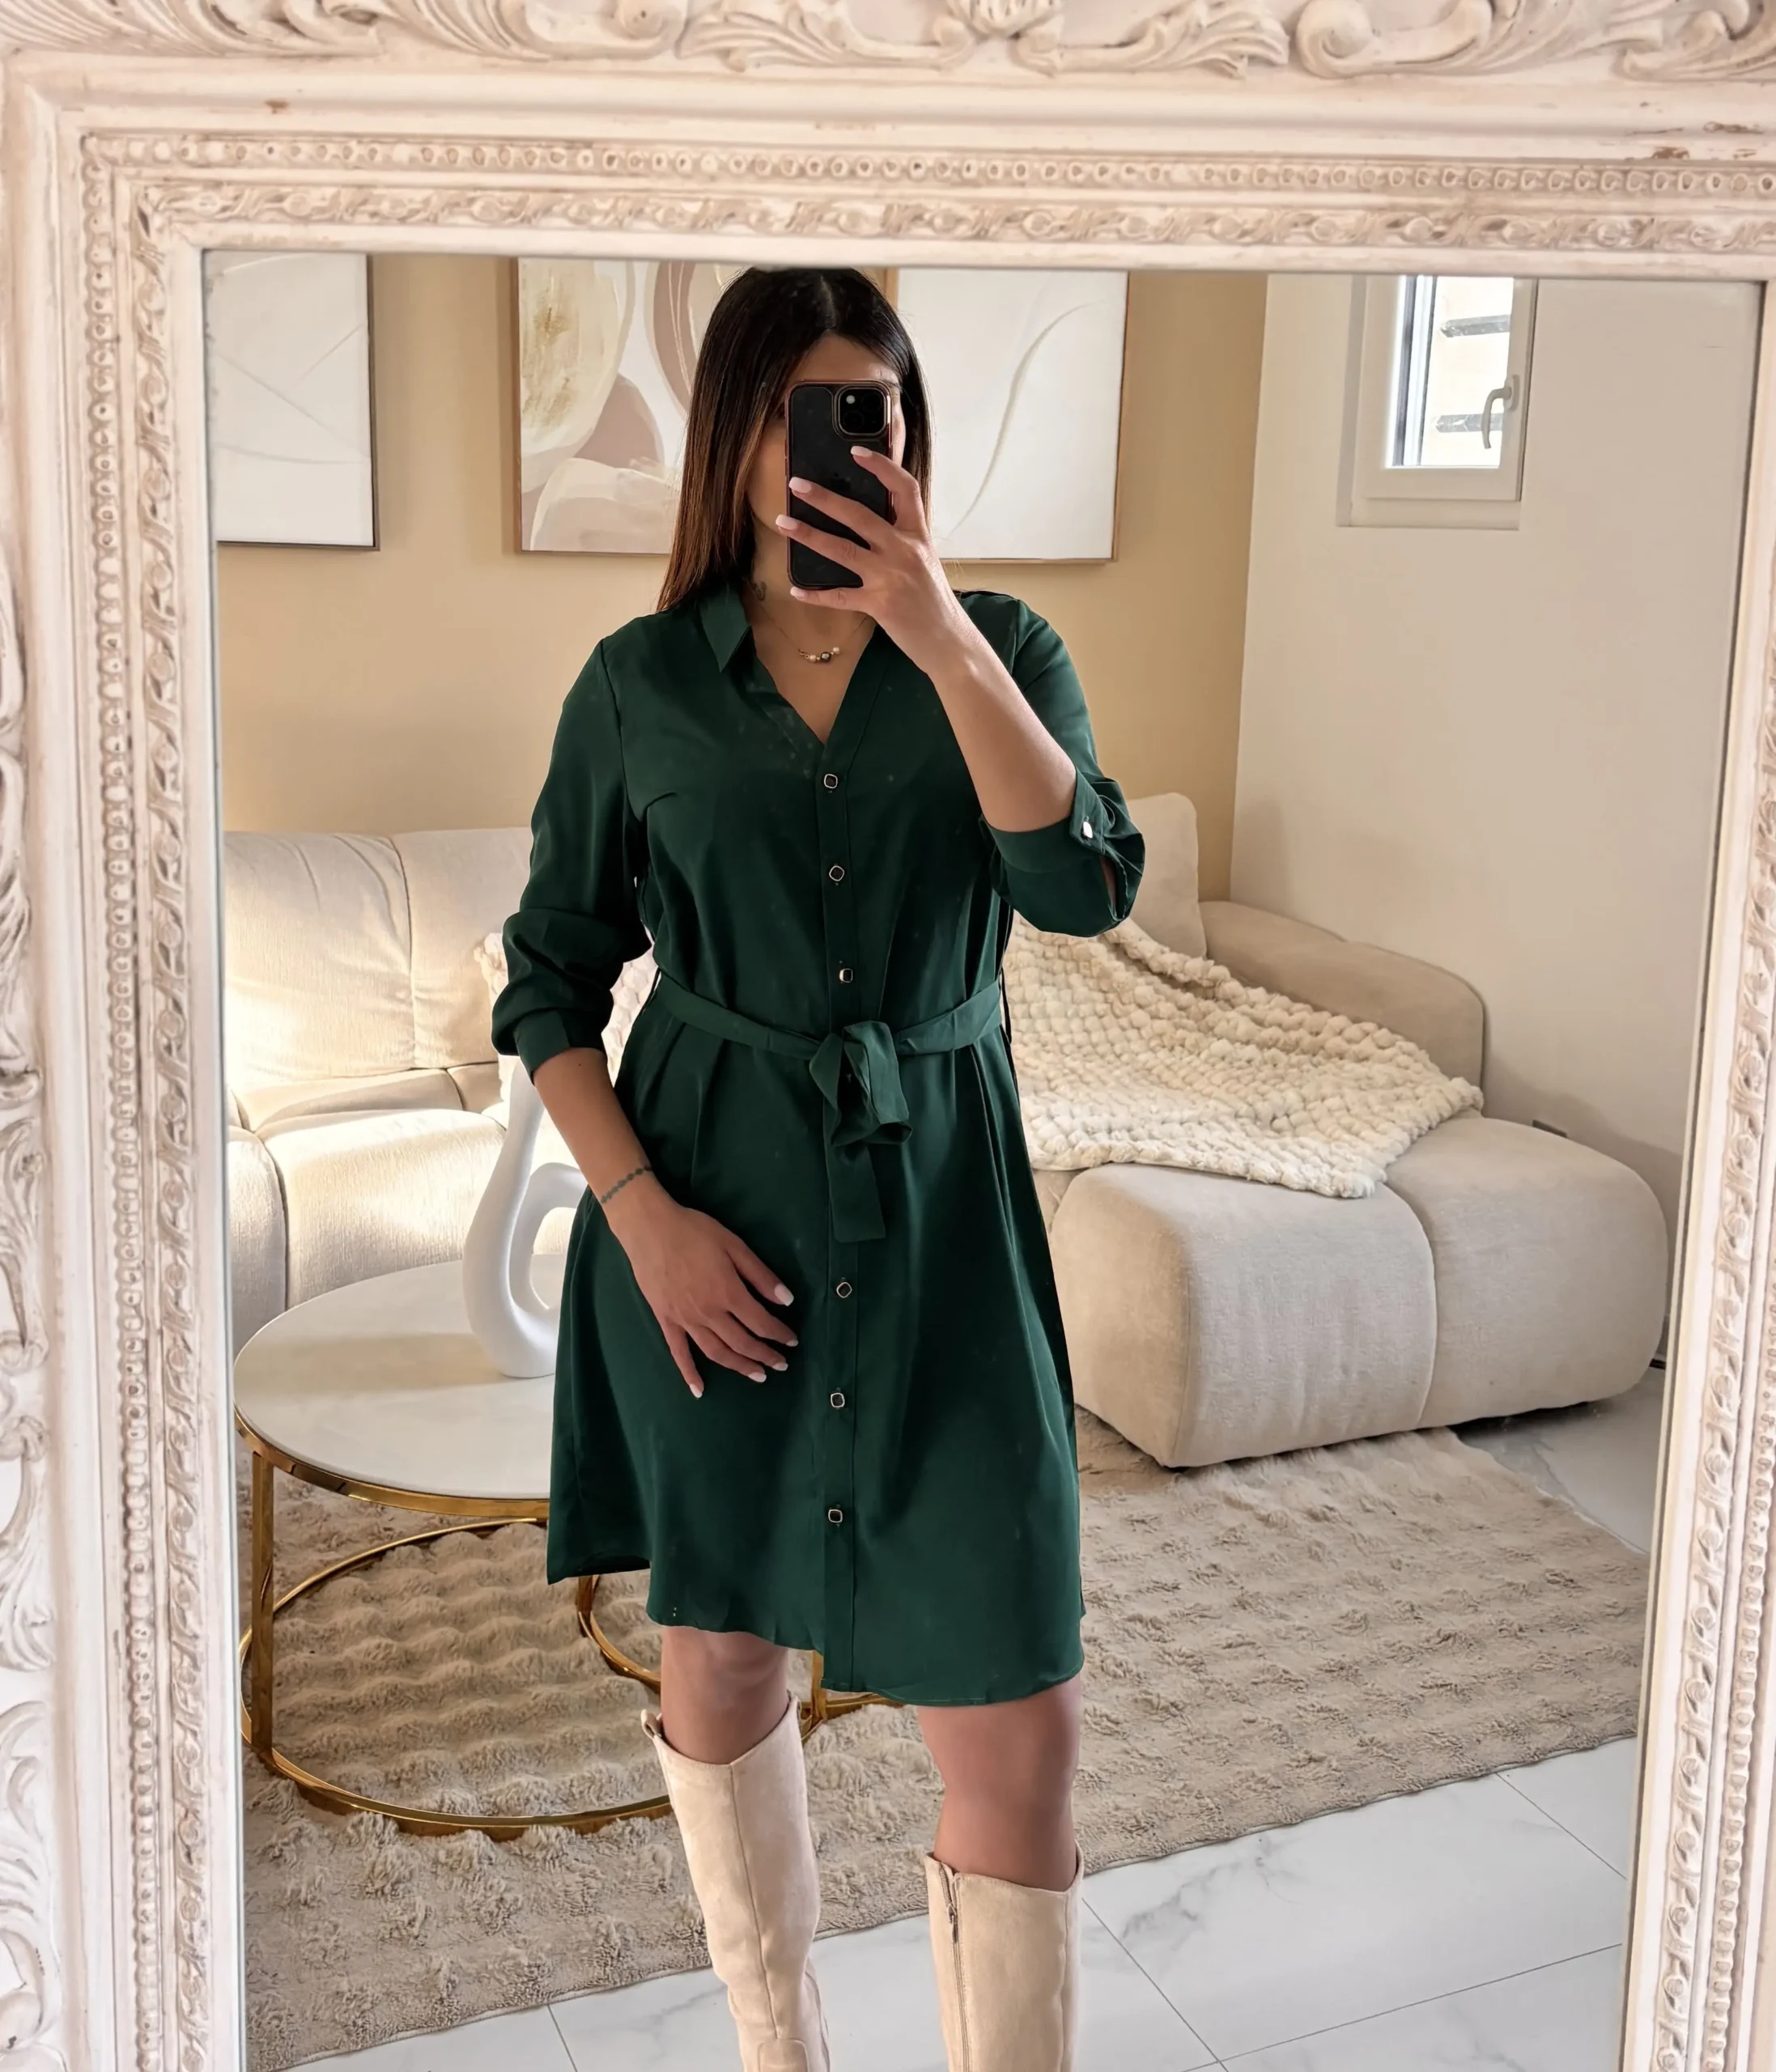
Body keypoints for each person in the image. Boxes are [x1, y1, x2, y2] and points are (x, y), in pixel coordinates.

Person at [491, 265, 1144, 2072]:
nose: (847, 454)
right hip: (711, 1223)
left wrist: (939, 635)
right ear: (737, 442)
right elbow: (545, 984)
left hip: (947, 1233)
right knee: (719, 1654)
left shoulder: (1003, 647)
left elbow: (1082, 886)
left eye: (881, 417)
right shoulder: (638, 684)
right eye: (810, 419)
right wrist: (643, 1223)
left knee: (1019, 1715)